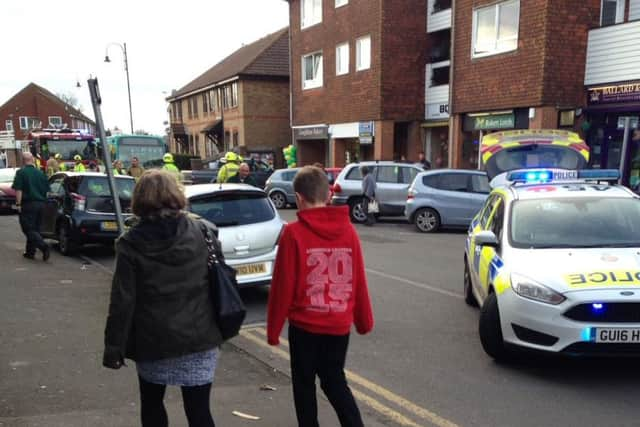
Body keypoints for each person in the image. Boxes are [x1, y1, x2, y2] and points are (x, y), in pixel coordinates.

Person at [103, 170, 222, 427]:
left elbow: (122, 301)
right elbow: (218, 282)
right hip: (199, 337)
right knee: (200, 410)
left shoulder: (130, 243)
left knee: (152, 403)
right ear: (175, 195)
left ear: (139, 199)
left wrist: (114, 347)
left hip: (152, 341)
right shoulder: (203, 231)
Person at [267, 166, 374, 427]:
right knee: (334, 380)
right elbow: (357, 278)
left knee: (304, 385)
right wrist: (363, 320)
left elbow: (283, 286)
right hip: (338, 325)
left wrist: (273, 330)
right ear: (327, 196)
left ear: (299, 199)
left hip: (305, 326)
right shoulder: (349, 230)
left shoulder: (293, 233)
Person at [11, 152, 51, 261]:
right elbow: (47, 191)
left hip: (28, 204)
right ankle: (30, 252)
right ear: (32, 160)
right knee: (35, 229)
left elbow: (19, 189)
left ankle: (43, 246)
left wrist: (18, 204)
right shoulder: (41, 173)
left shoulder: (21, 173)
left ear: (23, 160)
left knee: (28, 228)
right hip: (41, 204)